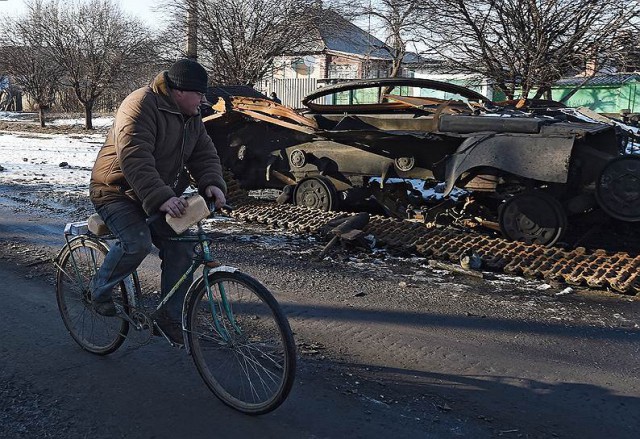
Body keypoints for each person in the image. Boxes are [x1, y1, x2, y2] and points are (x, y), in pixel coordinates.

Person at [88, 58, 227, 344]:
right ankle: (99, 290)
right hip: (116, 190)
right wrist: (162, 197)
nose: (204, 100)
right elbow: (134, 157)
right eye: (199, 94)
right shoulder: (139, 105)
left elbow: (204, 153)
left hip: (157, 191)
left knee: (181, 248)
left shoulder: (191, 115)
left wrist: (212, 183)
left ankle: (169, 320)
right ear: (178, 91)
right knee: (137, 242)